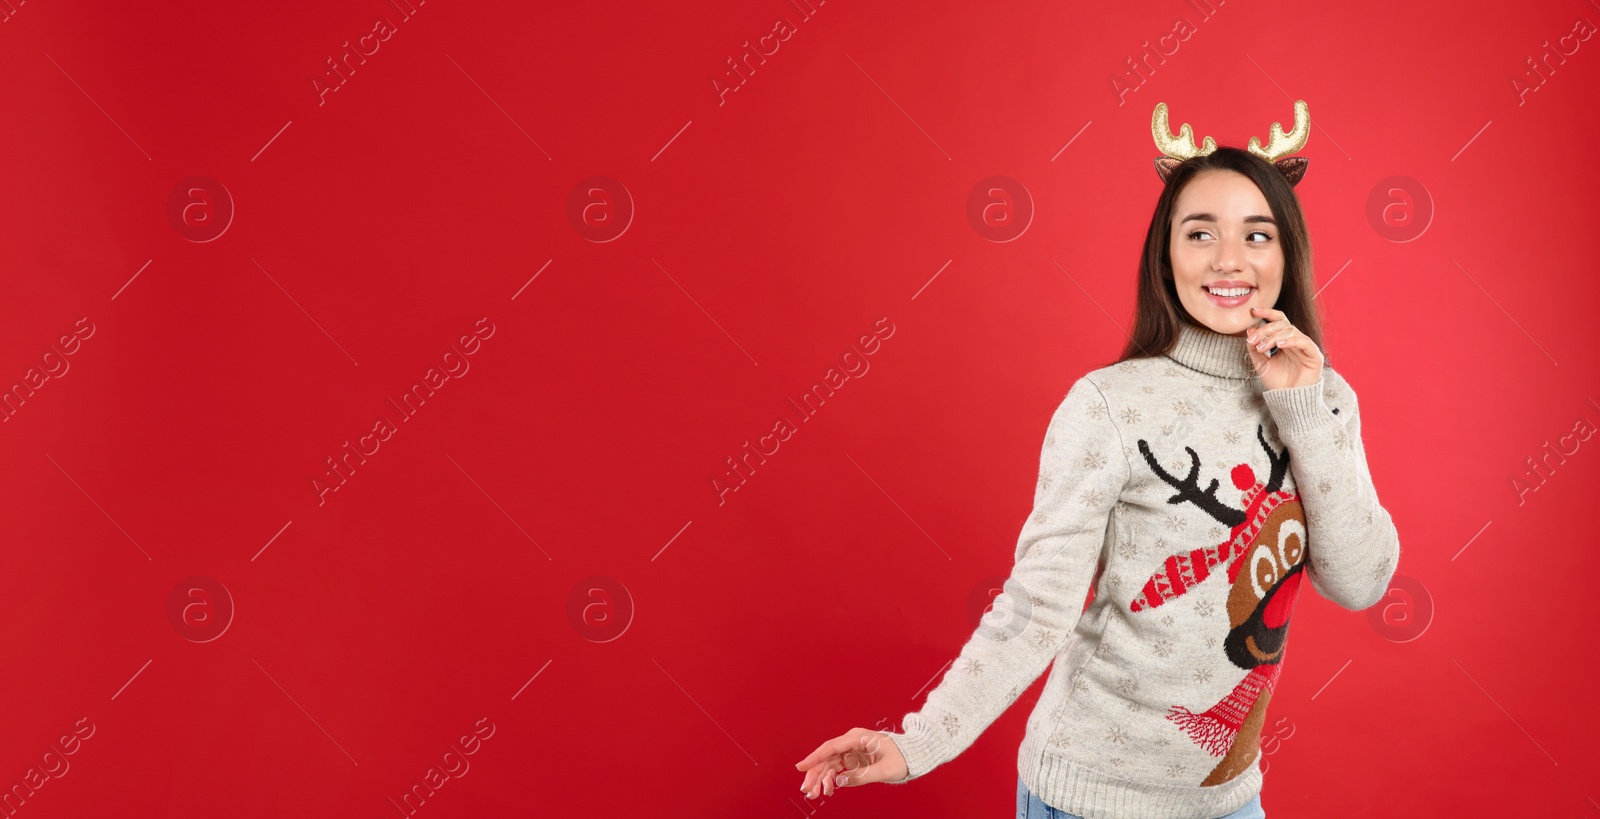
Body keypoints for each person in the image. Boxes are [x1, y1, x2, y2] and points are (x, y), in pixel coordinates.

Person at [795, 100, 1400, 819]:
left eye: (1256, 235)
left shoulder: (1323, 399)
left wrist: (1302, 406)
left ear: (1286, 252)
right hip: (1090, 797)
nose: (1229, 259)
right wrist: (918, 742)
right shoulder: (1108, 406)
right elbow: (1037, 605)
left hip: (1229, 800)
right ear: (1166, 253)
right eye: (1199, 232)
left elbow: (1361, 581)